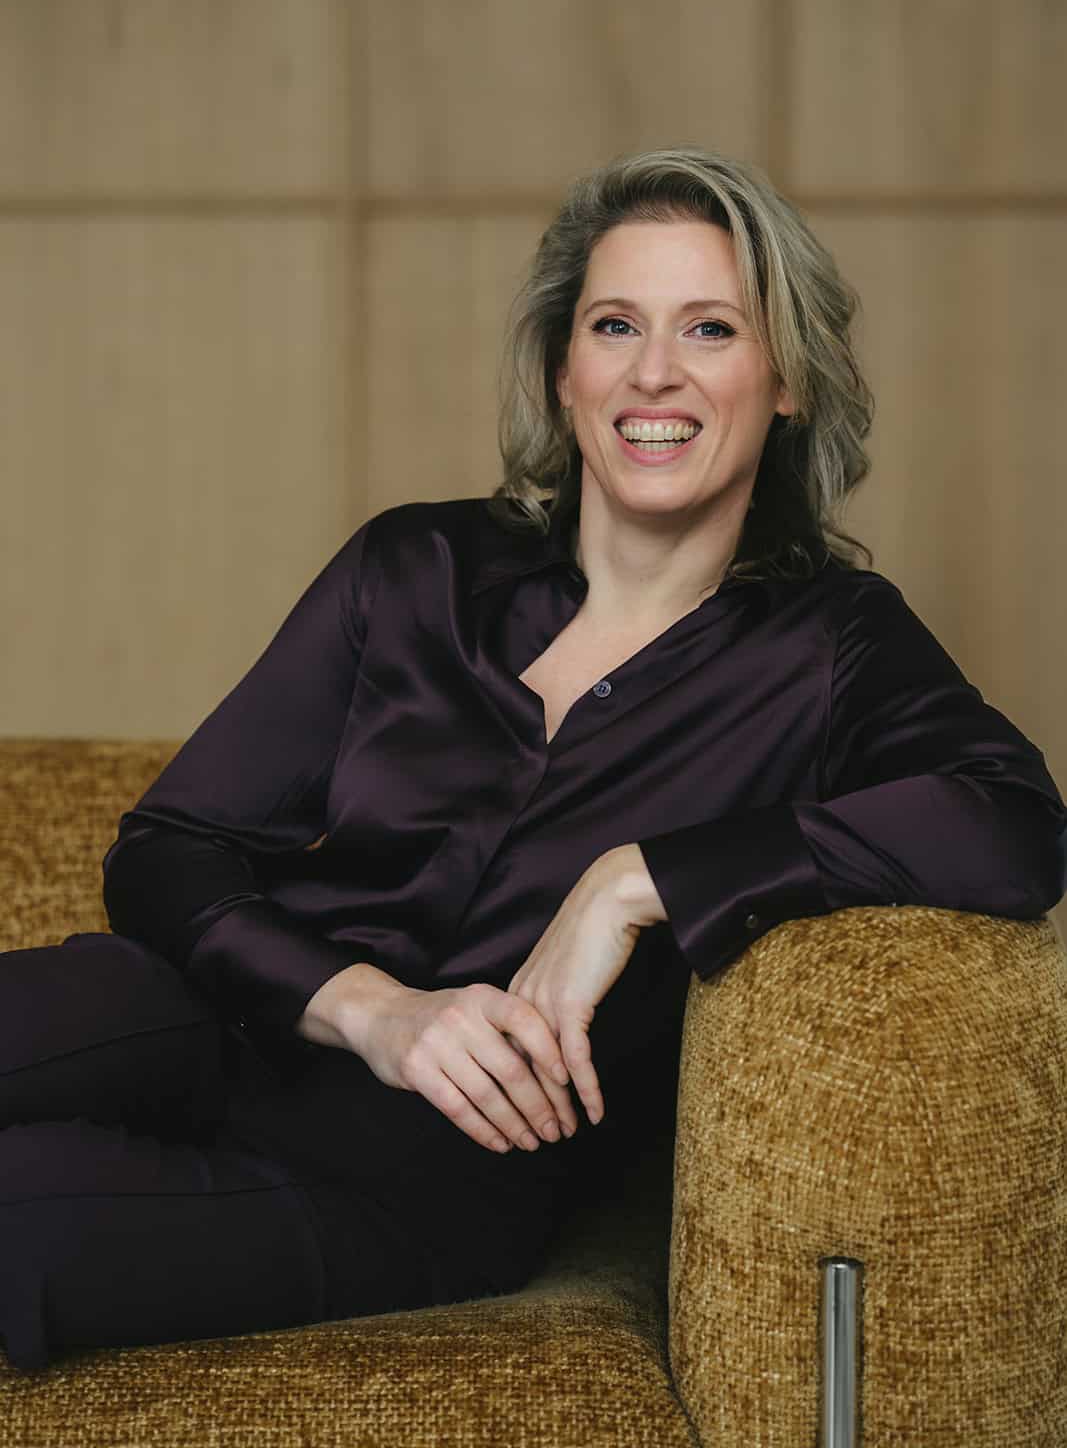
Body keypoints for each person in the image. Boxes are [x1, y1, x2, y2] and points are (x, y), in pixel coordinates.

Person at [2, 145, 1064, 1373]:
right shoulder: (414, 569)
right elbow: (169, 846)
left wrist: (636, 877)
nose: (653, 371)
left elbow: (1011, 824)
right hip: (210, 1018)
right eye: (615, 325)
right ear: (564, 372)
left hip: (411, 1176)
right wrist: (370, 1008)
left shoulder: (831, 646)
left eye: (710, 327)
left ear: (785, 380)